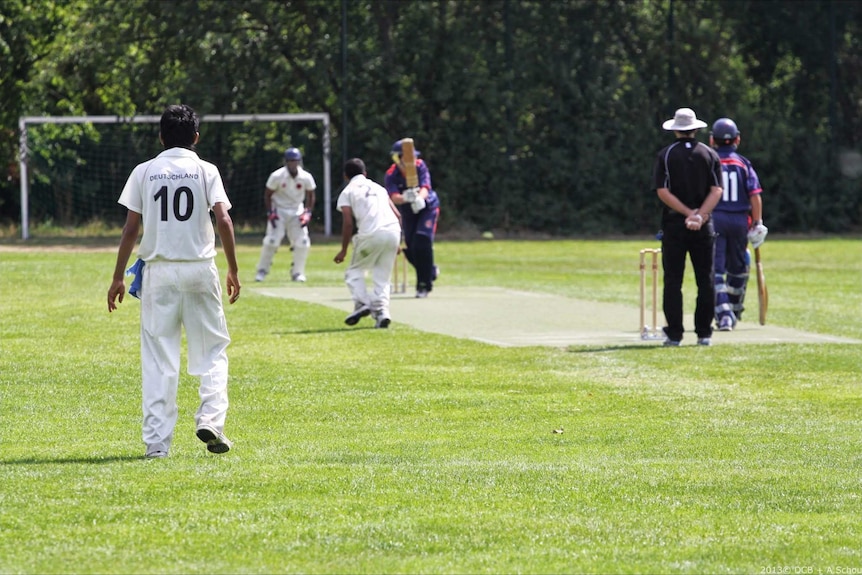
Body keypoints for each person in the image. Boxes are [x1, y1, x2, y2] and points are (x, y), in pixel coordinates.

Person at [107, 104, 241, 458]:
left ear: (161, 136)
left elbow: (131, 228)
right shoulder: (205, 169)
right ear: (196, 137)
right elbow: (224, 220)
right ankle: (211, 419)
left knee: (158, 359)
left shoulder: (145, 171)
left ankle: (156, 446)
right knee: (212, 350)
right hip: (200, 269)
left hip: (159, 273)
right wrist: (234, 269)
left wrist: (118, 277)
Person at [652, 107, 724, 346]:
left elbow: (663, 191)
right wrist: (701, 215)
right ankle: (704, 333)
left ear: (676, 130)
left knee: (673, 280)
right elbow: (716, 190)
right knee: (706, 279)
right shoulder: (709, 154)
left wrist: (687, 213)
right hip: (703, 226)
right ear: (695, 129)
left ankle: (674, 334)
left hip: (675, 223)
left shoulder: (666, 154)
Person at [709, 117, 767, 331]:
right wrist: (758, 222)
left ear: (712, 139)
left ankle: (724, 313)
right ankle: (733, 308)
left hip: (716, 219)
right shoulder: (743, 163)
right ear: (737, 139)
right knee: (738, 268)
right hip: (740, 220)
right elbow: (755, 196)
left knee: (716, 269)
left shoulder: (710, 160)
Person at [334, 158, 402, 328]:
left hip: (371, 235)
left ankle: (362, 303)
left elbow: (348, 223)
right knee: (382, 276)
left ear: (345, 176)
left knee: (354, 271)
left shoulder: (347, 191)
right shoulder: (379, 188)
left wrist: (343, 250)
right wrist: (399, 242)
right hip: (393, 232)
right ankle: (382, 313)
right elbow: (398, 215)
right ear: (365, 173)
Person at [384, 138, 440, 298]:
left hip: (427, 207)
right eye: (407, 156)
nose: (411, 159)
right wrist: (405, 198)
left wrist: (419, 199)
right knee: (411, 247)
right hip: (408, 211)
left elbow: (425, 187)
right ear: (397, 158)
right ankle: (430, 270)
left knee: (422, 240)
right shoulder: (391, 174)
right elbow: (393, 197)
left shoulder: (420, 165)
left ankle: (423, 285)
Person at [254, 147, 317, 282]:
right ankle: (262, 270)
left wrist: (308, 212)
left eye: (295, 161)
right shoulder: (277, 176)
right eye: (290, 161)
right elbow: (267, 195)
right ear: (286, 162)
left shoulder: (306, 177)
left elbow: (311, 195)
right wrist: (270, 212)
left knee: (303, 242)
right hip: (279, 210)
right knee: (271, 241)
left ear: (299, 161)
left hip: (297, 211)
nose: (293, 164)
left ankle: (297, 273)